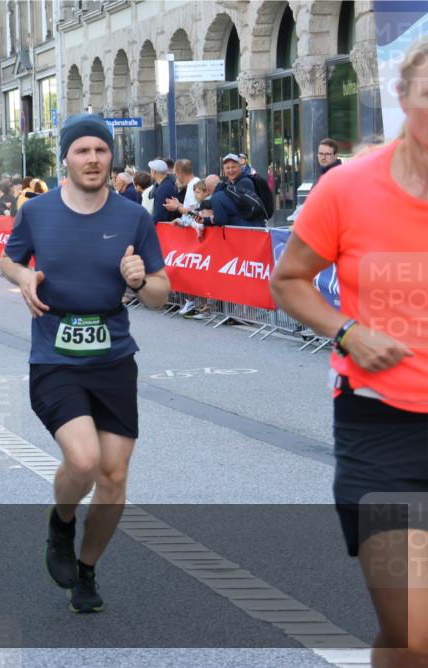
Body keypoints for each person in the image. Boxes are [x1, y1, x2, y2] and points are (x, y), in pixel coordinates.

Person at [270, 37, 428, 668]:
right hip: (381, 431)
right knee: (416, 631)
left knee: (408, 643)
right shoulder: (348, 188)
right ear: (404, 98)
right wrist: (346, 331)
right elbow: (289, 280)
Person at [0, 113, 169, 614]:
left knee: (115, 477)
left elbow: (162, 295)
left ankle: (87, 570)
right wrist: (22, 278)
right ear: (66, 159)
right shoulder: (39, 212)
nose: (92, 159)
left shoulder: (133, 216)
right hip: (55, 356)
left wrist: (139, 281)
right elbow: (7, 258)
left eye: (100, 150)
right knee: (85, 460)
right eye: (82, 151)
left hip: (113, 357)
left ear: (111, 156)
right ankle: (62, 522)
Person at [210, 154, 262, 227]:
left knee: (217, 197)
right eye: (227, 168)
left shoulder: (245, 182)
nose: (230, 170)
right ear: (224, 170)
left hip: (250, 227)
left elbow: (233, 210)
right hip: (241, 227)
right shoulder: (228, 185)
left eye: (233, 167)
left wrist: (215, 218)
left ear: (240, 167)